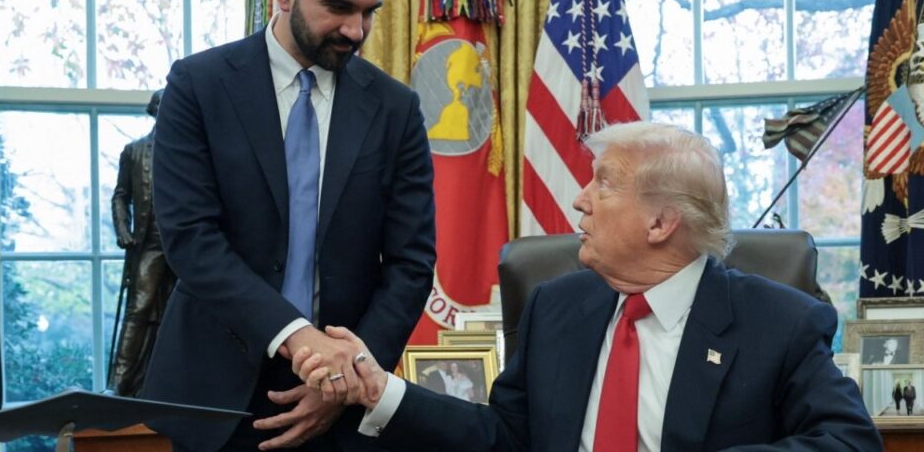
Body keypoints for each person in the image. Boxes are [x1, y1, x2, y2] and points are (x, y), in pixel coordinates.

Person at [295, 122, 882, 451]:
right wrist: (381, 392)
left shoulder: (777, 321)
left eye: (603, 185)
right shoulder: (558, 306)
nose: (579, 200)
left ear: (661, 222)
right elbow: (505, 437)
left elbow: (851, 443)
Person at [139, 0, 437, 452]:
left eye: (369, 11)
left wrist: (345, 374)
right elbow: (192, 239)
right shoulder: (199, 86)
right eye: (339, 7)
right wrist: (302, 341)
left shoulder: (395, 109)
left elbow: (411, 262)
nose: (356, 29)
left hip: (346, 401)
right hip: (215, 397)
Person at [107, 89, 176, 397]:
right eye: (164, 107)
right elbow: (120, 196)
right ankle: (119, 384)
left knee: (181, 312)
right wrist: (123, 229)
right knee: (138, 309)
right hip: (148, 242)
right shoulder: (133, 151)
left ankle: (174, 383)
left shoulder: (190, 152)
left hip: (185, 246)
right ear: (154, 111)